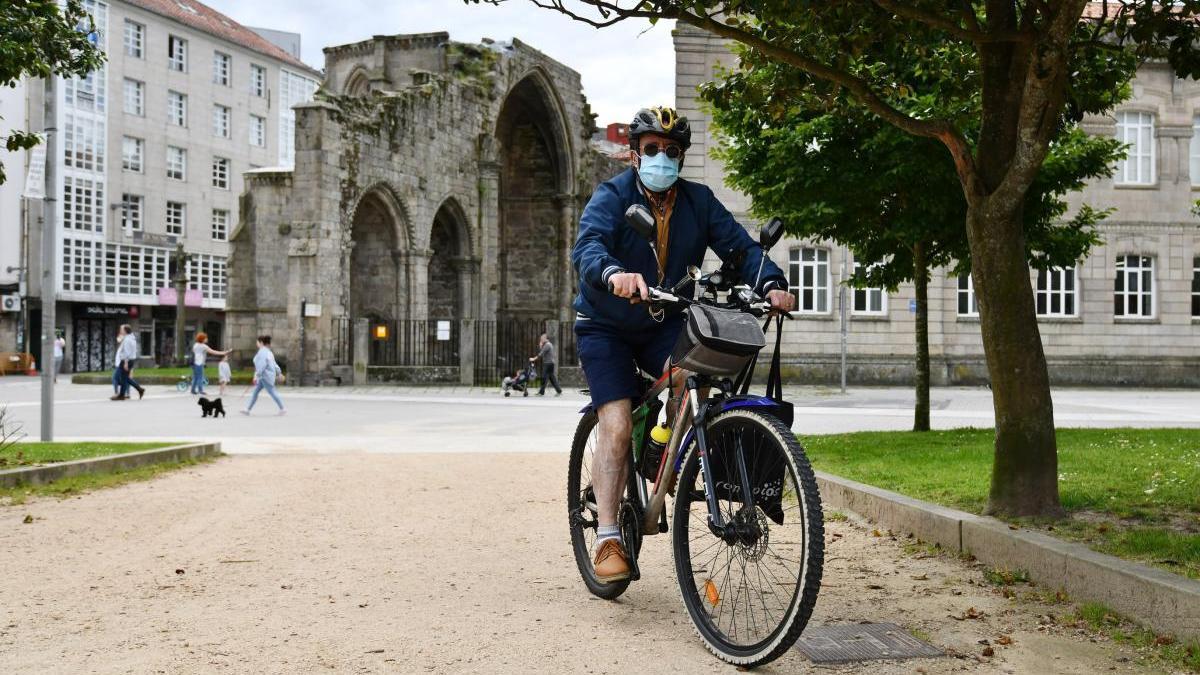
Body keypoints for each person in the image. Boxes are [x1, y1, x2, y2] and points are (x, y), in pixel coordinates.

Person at [572, 106, 796, 584]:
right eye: (651, 149)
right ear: (635, 155)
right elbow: (587, 247)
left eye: (671, 151)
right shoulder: (611, 196)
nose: (661, 158)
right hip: (606, 324)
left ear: (681, 158)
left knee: (692, 380)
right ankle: (608, 535)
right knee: (613, 427)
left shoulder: (698, 201)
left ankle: (659, 452)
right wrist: (614, 274)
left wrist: (771, 282)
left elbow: (741, 248)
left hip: (662, 320)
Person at [241, 335, 285, 416]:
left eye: (257, 342)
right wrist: (279, 373)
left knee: (272, 392)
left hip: (265, 376)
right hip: (265, 376)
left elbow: (261, 365)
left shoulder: (262, 352)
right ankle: (247, 409)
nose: (256, 344)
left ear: (261, 342)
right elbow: (274, 364)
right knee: (255, 392)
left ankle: (282, 408)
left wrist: (257, 375)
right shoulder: (269, 352)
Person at [110, 324, 145, 401]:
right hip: (129, 361)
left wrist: (125, 362)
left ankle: (121, 394)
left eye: (122, 330)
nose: (121, 331)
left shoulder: (127, 339)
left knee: (116, 377)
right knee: (125, 378)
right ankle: (138, 390)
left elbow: (127, 352)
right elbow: (119, 340)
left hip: (126, 361)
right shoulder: (131, 338)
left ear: (125, 331)